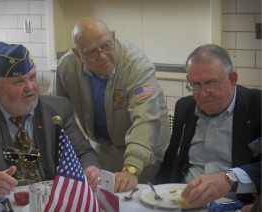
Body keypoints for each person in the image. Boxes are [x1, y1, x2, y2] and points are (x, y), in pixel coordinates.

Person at [0, 39, 101, 206]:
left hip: (51, 203)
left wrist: (90, 170)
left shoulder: (58, 109)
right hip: (3, 206)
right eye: (19, 81)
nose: (30, 87)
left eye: (32, 77)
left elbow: (84, 152)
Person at [48, 17, 171, 192]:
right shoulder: (67, 66)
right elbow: (54, 111)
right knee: (104, 199)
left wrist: (131, 168)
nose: (103, 56)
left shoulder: (136, 65)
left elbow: (146, 120)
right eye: (91, 52)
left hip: (145, 150)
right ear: (77, 54)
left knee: (134, 200)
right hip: (103, 148)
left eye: (107, 46)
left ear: (113, 36)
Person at [156, 44, 261, 209]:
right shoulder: (185, 108)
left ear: (232, 78)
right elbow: (170, 163)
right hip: (183, 203)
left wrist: (229, 178)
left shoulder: (257, 107)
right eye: (195, 85)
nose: (203, 94)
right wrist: (156, 198)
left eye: (211, 83)